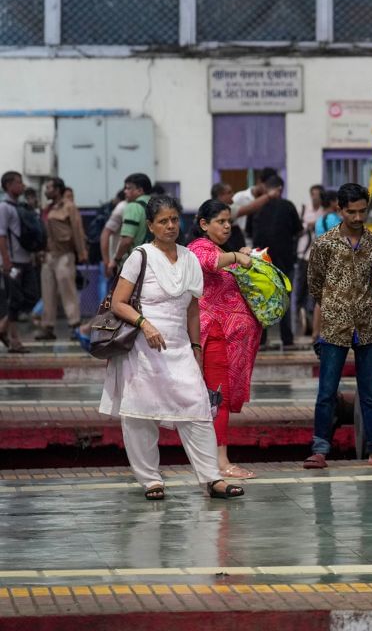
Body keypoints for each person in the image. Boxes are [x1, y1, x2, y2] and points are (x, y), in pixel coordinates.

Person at [97, 195, 244, 501]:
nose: (170, 226)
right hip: (142, 347)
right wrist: (145, 325)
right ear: (150, 225)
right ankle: (151, 480)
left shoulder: (189, 258)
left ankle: (211, 478)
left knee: (197, 407)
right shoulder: (140, 256)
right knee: (141, 413)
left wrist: (196, 347)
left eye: (174, 219)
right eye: (163, 221)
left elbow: (192, 309)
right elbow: (120, 302)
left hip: (179, 345)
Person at [304, 183, 372, 468]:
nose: (358, 217)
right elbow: (315, 286)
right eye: (352, 212)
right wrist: (334, 309)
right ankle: (319, 449)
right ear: (339, 210)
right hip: (334, 326)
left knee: (370, 391)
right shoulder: (324, 245)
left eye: (363, 211)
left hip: (365, 327)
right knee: (326, 391)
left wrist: (357, 306)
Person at [187, 200, 261, 480]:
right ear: (204, 224)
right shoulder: (200, 247)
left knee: (220, 398)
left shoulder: (220, 248)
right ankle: (220, 462)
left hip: (229, 339)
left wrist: (240, 255)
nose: (227, 225)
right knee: (218, 398)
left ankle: (217, 459)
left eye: (229, 220)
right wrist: (235, 257)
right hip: (214, 336)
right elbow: (211, 263)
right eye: (220, 221)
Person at [246, 175, 302, 350]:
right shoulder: (288, 206)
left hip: (262, 260)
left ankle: (261, 340)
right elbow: (298, 231)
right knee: (284, 298)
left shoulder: (257, 208)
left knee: (263, 298)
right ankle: (287, 339)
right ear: (280, 189)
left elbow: (249, 232)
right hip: (284, 259)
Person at [36, 177, 88, 340]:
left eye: (49, 187)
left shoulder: (69, 207)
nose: (46, 191)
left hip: (65, 255)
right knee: (47, 292)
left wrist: (82, 252)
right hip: (48, 255)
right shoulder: (46, 209)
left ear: (58, 190)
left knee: (68, 292)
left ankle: (75, 326)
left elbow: (77, 230)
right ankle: (48, 327)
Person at [0, 171, 38, 352]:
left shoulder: (20, 206)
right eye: (18, 182)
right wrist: (6, 260)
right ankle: (15, 341)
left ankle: (2, 327)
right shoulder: (4, 207)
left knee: (31, 295)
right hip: (13, 262)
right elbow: (1, 236)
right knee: (14, 301)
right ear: (8, 185)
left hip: (26, 261)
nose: (22, 186)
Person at [296, 184, 326, 336]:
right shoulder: (304, 209)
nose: (315, 197)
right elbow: (297, 229)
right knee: (301, 287)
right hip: (304, 254)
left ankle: (311, 318)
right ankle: (301, 317)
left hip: (317, 256)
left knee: (313, 290)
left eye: (318, 194)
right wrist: (307, 226)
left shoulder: (325, 213)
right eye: (313, 194)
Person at [212, 181, 275, 252]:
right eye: (229, 192)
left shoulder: (225, 207)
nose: (232, 195)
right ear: (220, 196)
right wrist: (269, 195)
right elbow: (249, 208)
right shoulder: (221, 210)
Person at [111, 173, 152, 276]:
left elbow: (126, 241)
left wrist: (116, 259)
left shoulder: (133, 207)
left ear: (140, 190)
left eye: (129, 188)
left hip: (136, 263)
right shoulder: (157, 204)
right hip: (157, 261)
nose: (125, 191)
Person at [232, 168, 278, 246]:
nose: (268, 190)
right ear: (259, 181)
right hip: (241, 244)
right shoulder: (240, 197)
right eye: (267, 186)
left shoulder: (271, 200)